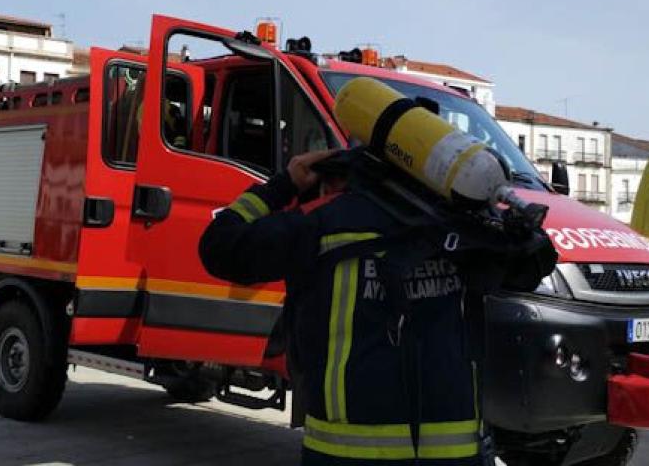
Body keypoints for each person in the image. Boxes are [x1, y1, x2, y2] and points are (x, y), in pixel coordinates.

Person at [200, 144, 554, 466]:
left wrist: (284, 184)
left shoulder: (321, 227)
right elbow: (536, 261)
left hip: (345, 455)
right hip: (456, 456)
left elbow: (220, 246)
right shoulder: (465, 235)